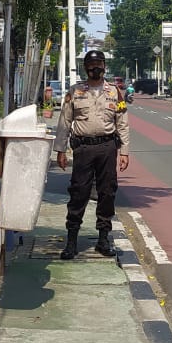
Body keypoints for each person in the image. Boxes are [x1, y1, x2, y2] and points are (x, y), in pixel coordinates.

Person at [54, 49, 131, 259]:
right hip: (83, 149)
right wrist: (60, 150)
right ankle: (71, 241)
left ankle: (103, 239)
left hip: (107, 147)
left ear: (104, 66)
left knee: (107, 192)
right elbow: (65, 121)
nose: (95, 68)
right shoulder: (75, 91)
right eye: (91, 64)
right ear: (85, 67)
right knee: (79, 192)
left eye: (99, 64)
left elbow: (122, 122)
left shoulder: (115, 92)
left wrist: (124, 151)